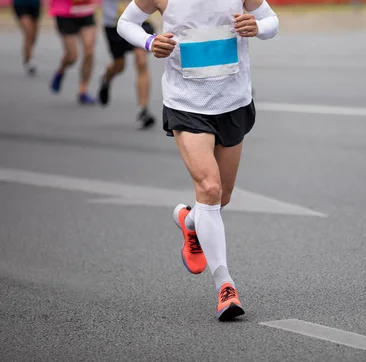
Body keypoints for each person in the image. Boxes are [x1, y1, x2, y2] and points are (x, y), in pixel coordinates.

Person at [117, 0, 278, 320]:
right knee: (209, 187)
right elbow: (126, 23)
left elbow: (271, 20)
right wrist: (150, 42)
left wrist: (258, 28)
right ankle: (225, 286)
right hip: (186, 103)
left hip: (233, 100)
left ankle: (189, 220)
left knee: (221, 197)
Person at [98, 0, 156, 129]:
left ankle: (143, 110)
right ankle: (106, 77)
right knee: (119, 66)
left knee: (141, 62)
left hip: (141, 20)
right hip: (114, 24)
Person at [49, 0, 98, 105]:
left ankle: (83, 91)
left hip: (86, 11)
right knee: (72, 56)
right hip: (65, 12)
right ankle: (61, 71)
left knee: (89, 51)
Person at [12, 0, 41, 76]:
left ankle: (28, 53)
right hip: (20, 4)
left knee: (34, 36)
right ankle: (29, 59)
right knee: (29, 32)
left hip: (35, 4)